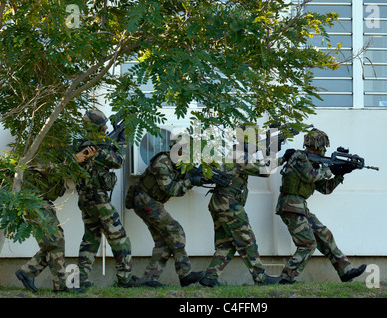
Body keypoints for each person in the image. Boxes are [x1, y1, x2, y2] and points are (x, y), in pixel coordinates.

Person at [276, 128, 366, 284]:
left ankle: (346, 271)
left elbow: (325, 189)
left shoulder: (314, 163)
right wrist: (331, 169)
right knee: (308, 244)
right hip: (290, 206)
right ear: (319, 145)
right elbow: (310, 176)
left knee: (325, 235)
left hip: (300, 207)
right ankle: (286, 278)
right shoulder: (299, 157)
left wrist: (341, 172)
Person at [199, 125, 281, 287]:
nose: (257, 140)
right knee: (247, 239)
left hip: (220, 202)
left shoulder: (237, 153)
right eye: (255, 137)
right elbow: (264, 170)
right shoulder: (238, 155)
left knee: (227, 243)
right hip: (228, 204)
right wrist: (273, 153)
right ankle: (260, 277)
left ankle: (210, 277)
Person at [75, 109, 143, 288]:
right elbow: (118, 161)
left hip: (85, 199)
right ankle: (125, 279)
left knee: (91, 238)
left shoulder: (83, 144)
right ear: (98, 127)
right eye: (103, 124)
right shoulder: (95, 149)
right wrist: (122, 141)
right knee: (120, 238)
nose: (106, 127)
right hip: (98, 200)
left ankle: (80, 279)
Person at [125, 135, 205, 287]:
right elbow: (170, 189)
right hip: (144, 200)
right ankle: (185, 274)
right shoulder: (162, 163)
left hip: (150, 201)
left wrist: (197, 177)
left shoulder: (179, 164)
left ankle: (149, 279)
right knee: (175, 231)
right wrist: (191, 181)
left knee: (163, 242)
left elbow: (181, 181)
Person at [15, 164, 83, 293]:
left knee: (55, 241)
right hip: (33, 201)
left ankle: (28, 272)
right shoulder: (42, 150)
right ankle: (61, 283)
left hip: (43, 203)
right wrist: (73, 161)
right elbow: (44, 168)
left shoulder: (56, 153)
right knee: (55, 242)